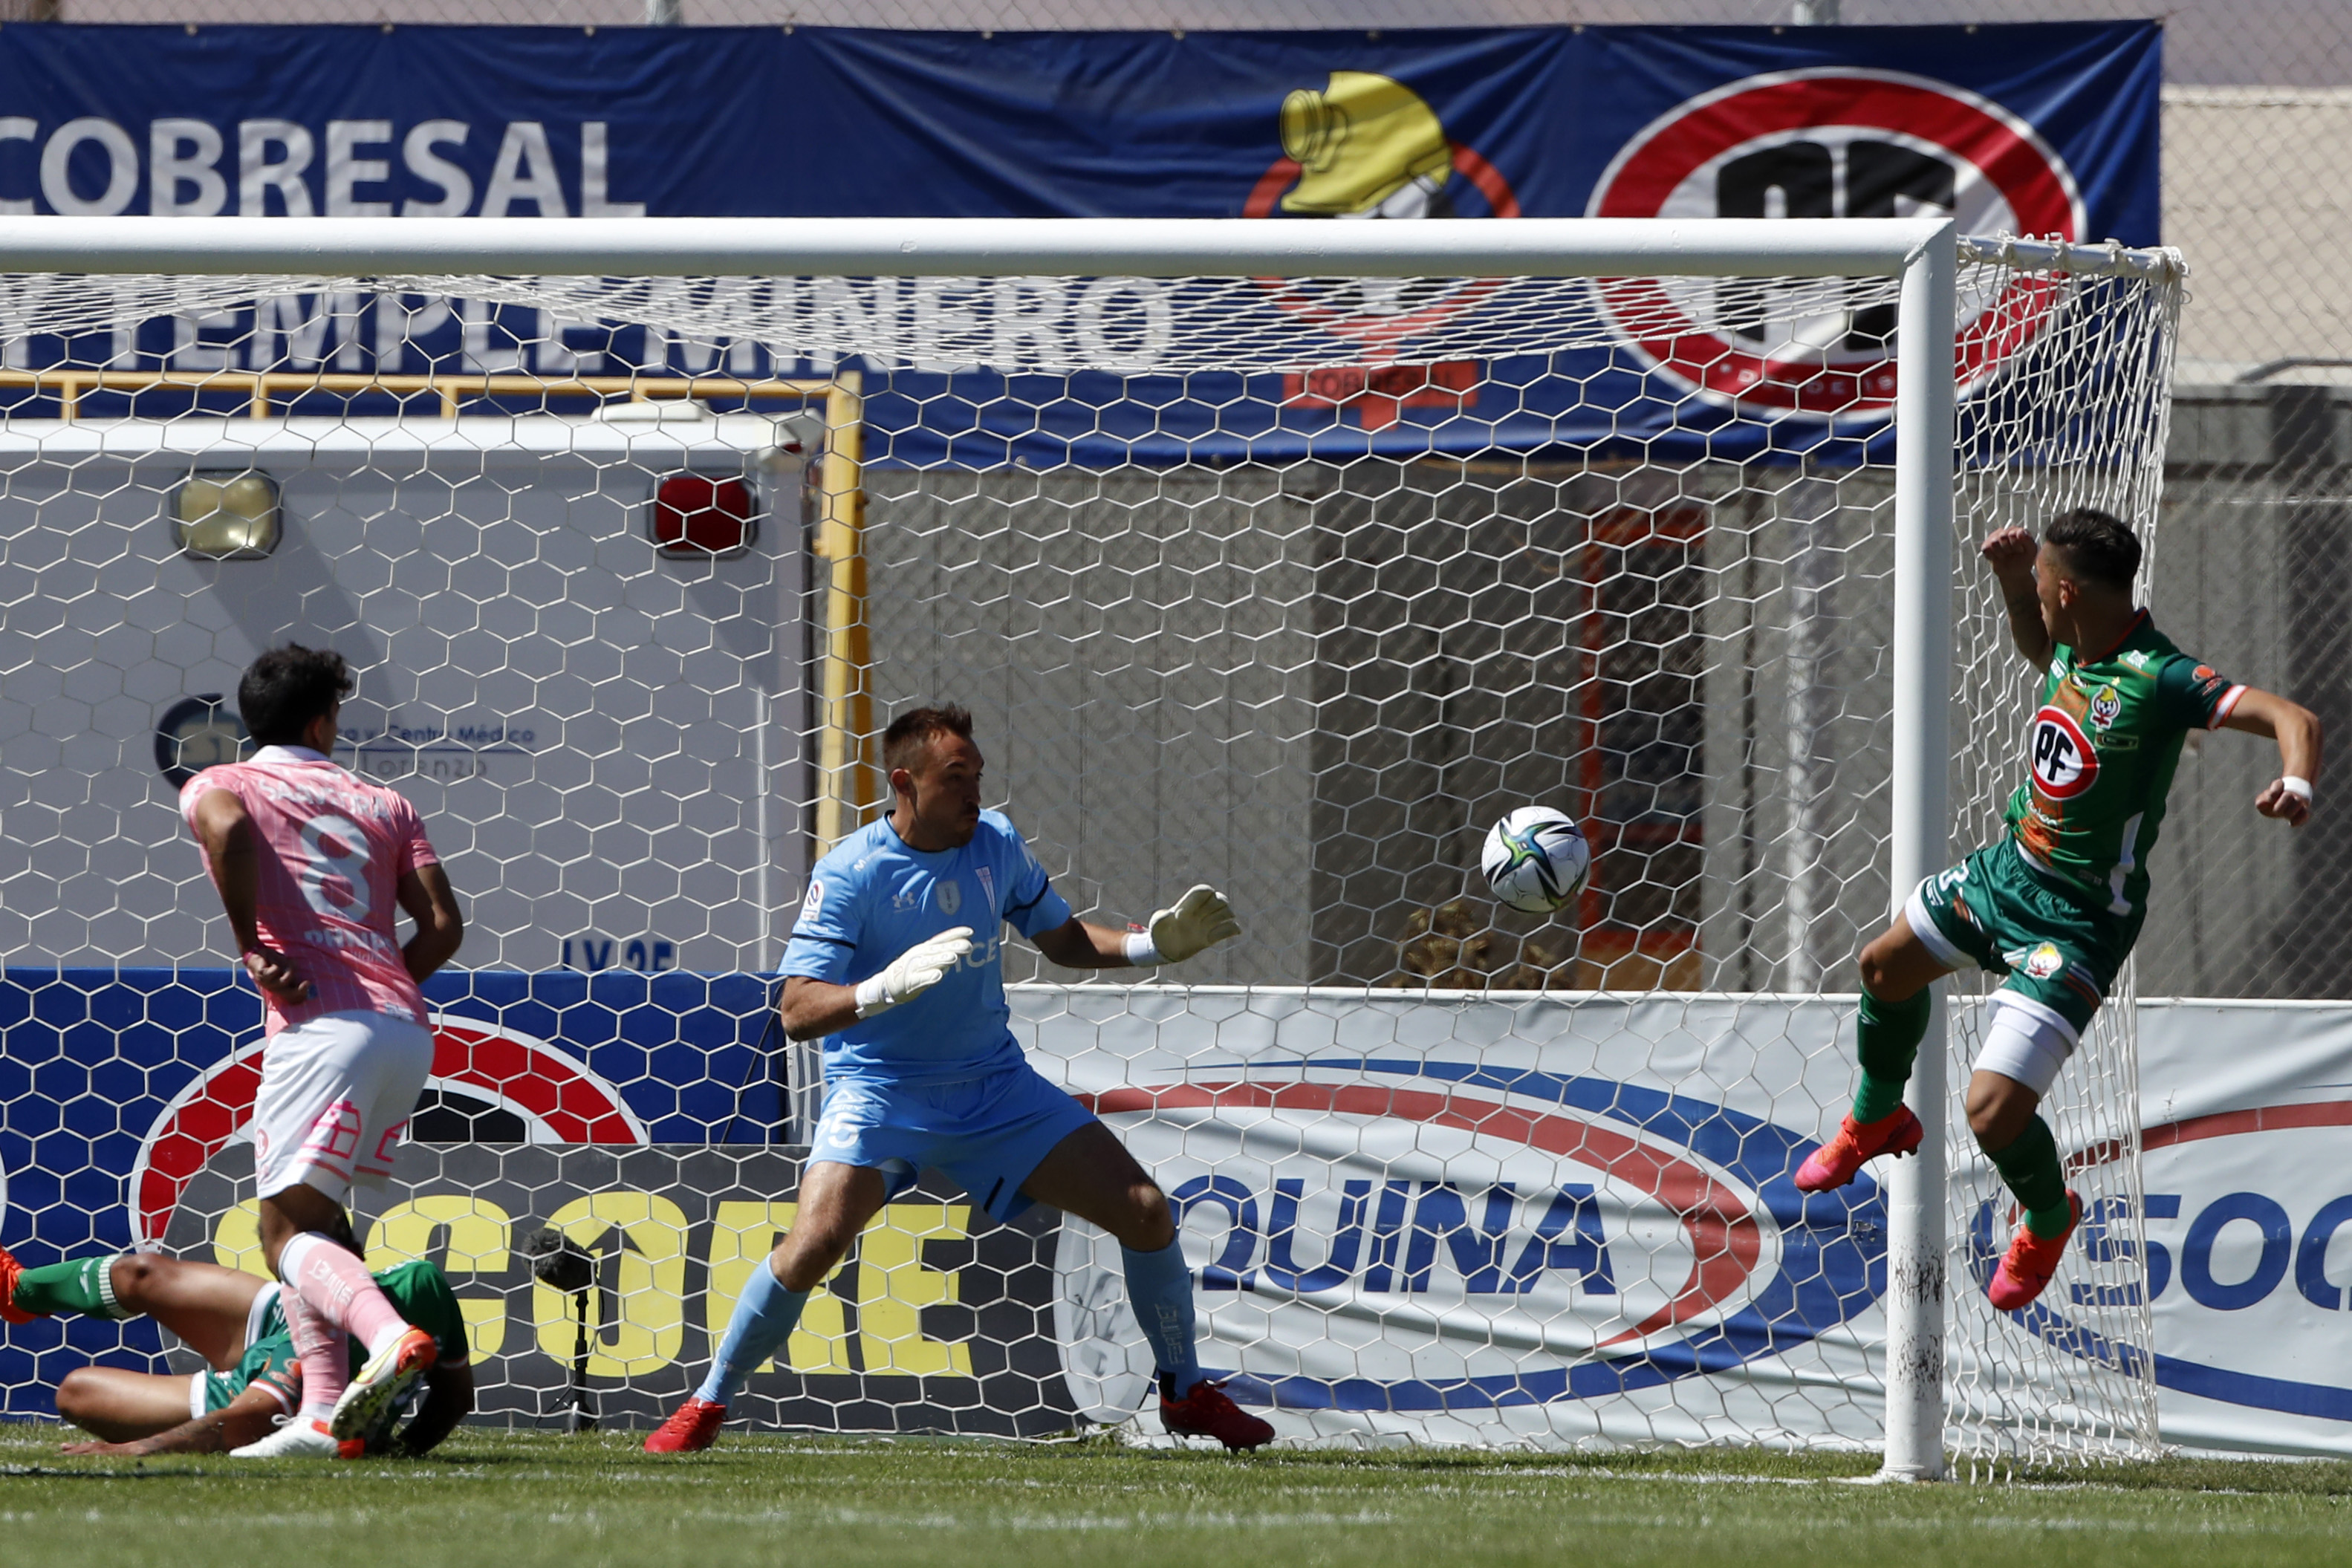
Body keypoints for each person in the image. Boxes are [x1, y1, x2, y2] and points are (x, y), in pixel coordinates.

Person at [646, 703, 1266, 1454]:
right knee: (813, 1244)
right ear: (904, 782)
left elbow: (1063, 938)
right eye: (956, 776)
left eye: (978, 774)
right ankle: (707, 1402)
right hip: (880, 1090)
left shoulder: (996, 842)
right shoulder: (850, 871)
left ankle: (1184, 1392)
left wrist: (1149, 946)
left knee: (1143, 1209)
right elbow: (796, 1011)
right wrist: (881, 988)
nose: (975, 791)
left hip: (993, 1086)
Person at [1796, 509, 2322, 1310]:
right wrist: (2013, 579)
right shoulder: (2074, 641)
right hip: (2006, 872)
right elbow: (2036, 643)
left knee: (1990, 1111)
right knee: (1884, 966)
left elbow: (2294, 717)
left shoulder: (2161, 677)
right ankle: (1877, 1117)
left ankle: (2047, 1216)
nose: (2038, 595)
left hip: (2078, 922)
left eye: (2041, 581)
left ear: (2069, 590)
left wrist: (2297, 779)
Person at [181, 645, 466, 1456]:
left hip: (321, 1031)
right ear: (321, 722)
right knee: (323, 1225)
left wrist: (250, 944)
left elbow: (229, 827)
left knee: (281, 1231)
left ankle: (387, 1336)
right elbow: (443, 925)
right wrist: (384, 986)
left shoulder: (222, 782)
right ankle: (320, 1412)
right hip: (404, 1029)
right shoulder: (385, 800)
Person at [0, 1244, 473, 1457]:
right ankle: (18, 1291)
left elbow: (245, 1419)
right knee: (141, 1272)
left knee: (77, 1390)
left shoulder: (309, 1349)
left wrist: (134, 1450)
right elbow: (454, 1397)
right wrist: (405, 1449)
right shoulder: (421, 1282)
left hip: (261, 1380)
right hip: (292, 1317)